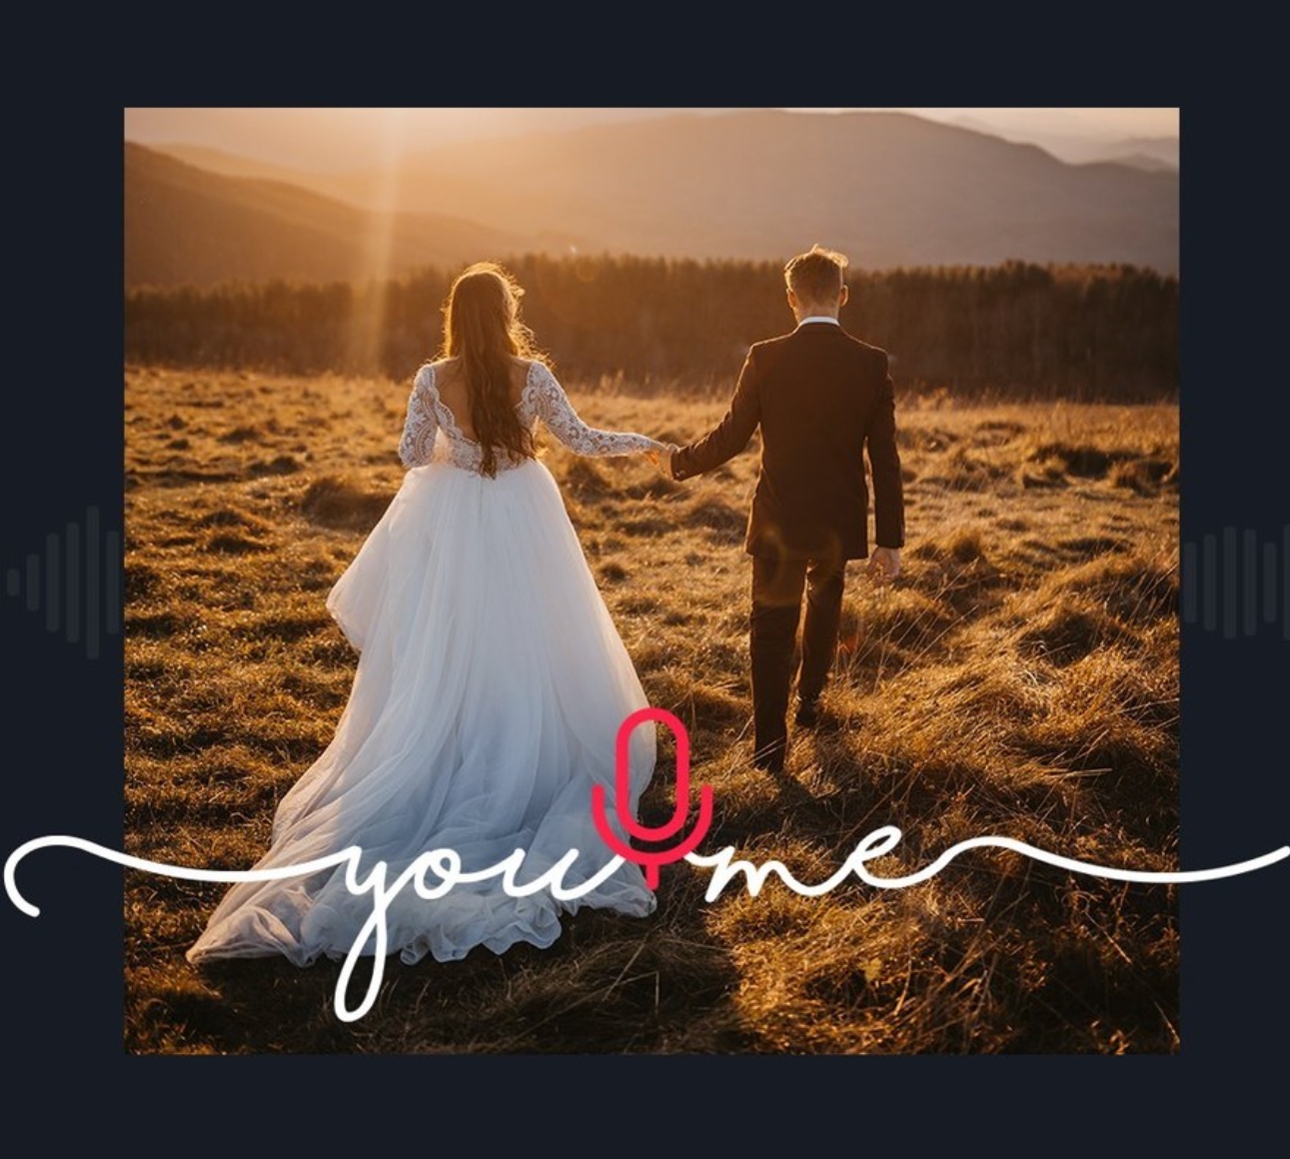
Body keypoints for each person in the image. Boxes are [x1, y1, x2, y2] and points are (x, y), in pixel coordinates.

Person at [188, 262, 672, 972]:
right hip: (524, 513)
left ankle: (459, 739)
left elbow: (411, 454)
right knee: (533, 637)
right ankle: (522, 740)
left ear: (454, 313)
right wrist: (646, 444)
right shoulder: (530, 373)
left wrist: (452, 441)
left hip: (457, 524)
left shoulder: (431, 377)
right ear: (506, 312)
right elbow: (581, 437)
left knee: (451, 647)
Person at [663, 245, 905, 774]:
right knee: (823, 612)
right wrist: (890, 540)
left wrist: (679, 462)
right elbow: (885, 459)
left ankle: (770, 749)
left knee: (771, 628)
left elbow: (731, 437)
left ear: (791, 299)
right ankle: (811, 707)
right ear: (842, 295)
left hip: (778, 519)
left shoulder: (765, 356)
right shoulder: (871, 363)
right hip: (839, 522)